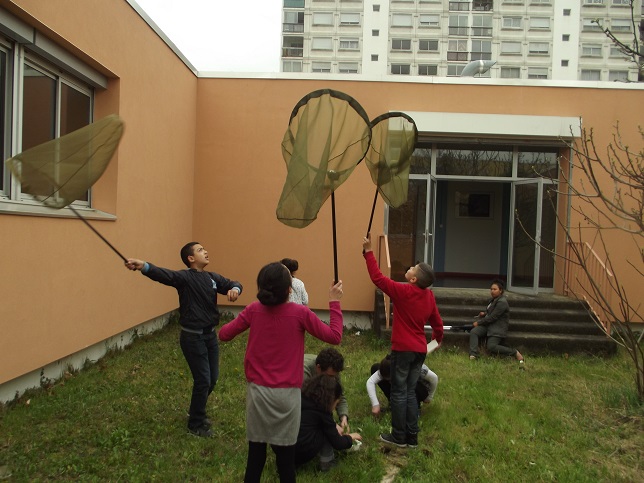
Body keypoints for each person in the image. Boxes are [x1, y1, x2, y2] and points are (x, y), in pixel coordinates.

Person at [218, 262, 344, 483]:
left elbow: (224, 334)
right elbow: (335, 336)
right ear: (289, 289)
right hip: (288, 397)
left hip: (258, 394)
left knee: (255, 457)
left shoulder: (253, 310)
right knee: (286, 462)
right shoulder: (300, 313)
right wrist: (334, 301)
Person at [124, 242, 242, 438]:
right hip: (193, 337)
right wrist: (143, 265)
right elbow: (163, 274)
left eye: (205, 248)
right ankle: (195, 424)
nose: (206, 251)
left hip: (210, 336)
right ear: (191, 258)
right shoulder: (184, 278)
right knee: (203, 380)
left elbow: (232, 283)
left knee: (212, 379)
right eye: (200, 250)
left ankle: (196, 410)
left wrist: (236, 289)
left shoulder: (212, 278)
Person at [362, 234, 443, 448]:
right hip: (419, 351)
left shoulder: (403, 291)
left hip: (403, 350)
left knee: (399, 392)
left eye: (413, 268)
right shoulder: (429, 296)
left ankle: (399, 437)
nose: (410, 267)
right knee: (409, 392)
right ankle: (412, 437)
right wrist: (437, 340)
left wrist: (369, 252)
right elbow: (437, 323)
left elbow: (378, 278)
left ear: (413, 279)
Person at [295, 374, 362, 472]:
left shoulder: (301, 397)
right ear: (331, 399)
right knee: (326, 430)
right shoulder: (322, 413)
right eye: (336, 403)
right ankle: (327, 463)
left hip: (283, 448)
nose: (334, 408)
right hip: (301, 453)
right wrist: (350, 437)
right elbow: (338, 443)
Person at [469, 279, 525, 367]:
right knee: (474, 332)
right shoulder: (493, 300)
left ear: (500, 290)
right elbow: (491, 312)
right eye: (491, 289)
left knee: (491, 346)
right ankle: (473, 354)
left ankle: (514, 352)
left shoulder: (502, 302)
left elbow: (493, 317)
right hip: (489, 325)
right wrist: (485, 313)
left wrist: (479, 322)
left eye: (495, 289)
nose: (492, 291)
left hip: (497, 328)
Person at [367, 354, 438, 416]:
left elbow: (434, 378)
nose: (390, 383)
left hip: (419, 388)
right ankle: (393, 403)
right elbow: (370, 382)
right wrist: (375, 404)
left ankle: (414, 409)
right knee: (375, 367)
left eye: (392, 380)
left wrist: (429, 397)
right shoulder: (387, 367)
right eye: (388, 380)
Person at [303, 348, 349, 434]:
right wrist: (331, 424)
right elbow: (308, 406)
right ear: (318, 368)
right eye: (330, 376)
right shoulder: (303, 374)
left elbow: (339, 396)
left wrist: (343, 417)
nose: (332, 379)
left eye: (335, 376)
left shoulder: (332, 372)